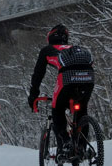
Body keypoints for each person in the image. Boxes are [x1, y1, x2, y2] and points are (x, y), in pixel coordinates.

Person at [27, 24, 94, 157]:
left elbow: (38, 75)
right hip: (88, 76)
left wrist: (33, 95)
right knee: (81, 110)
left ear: (50, 38)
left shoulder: (47, 50)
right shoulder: (75, 49)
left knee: (57, 109)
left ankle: (65, 143)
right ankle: (82, 147)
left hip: (67, 77)